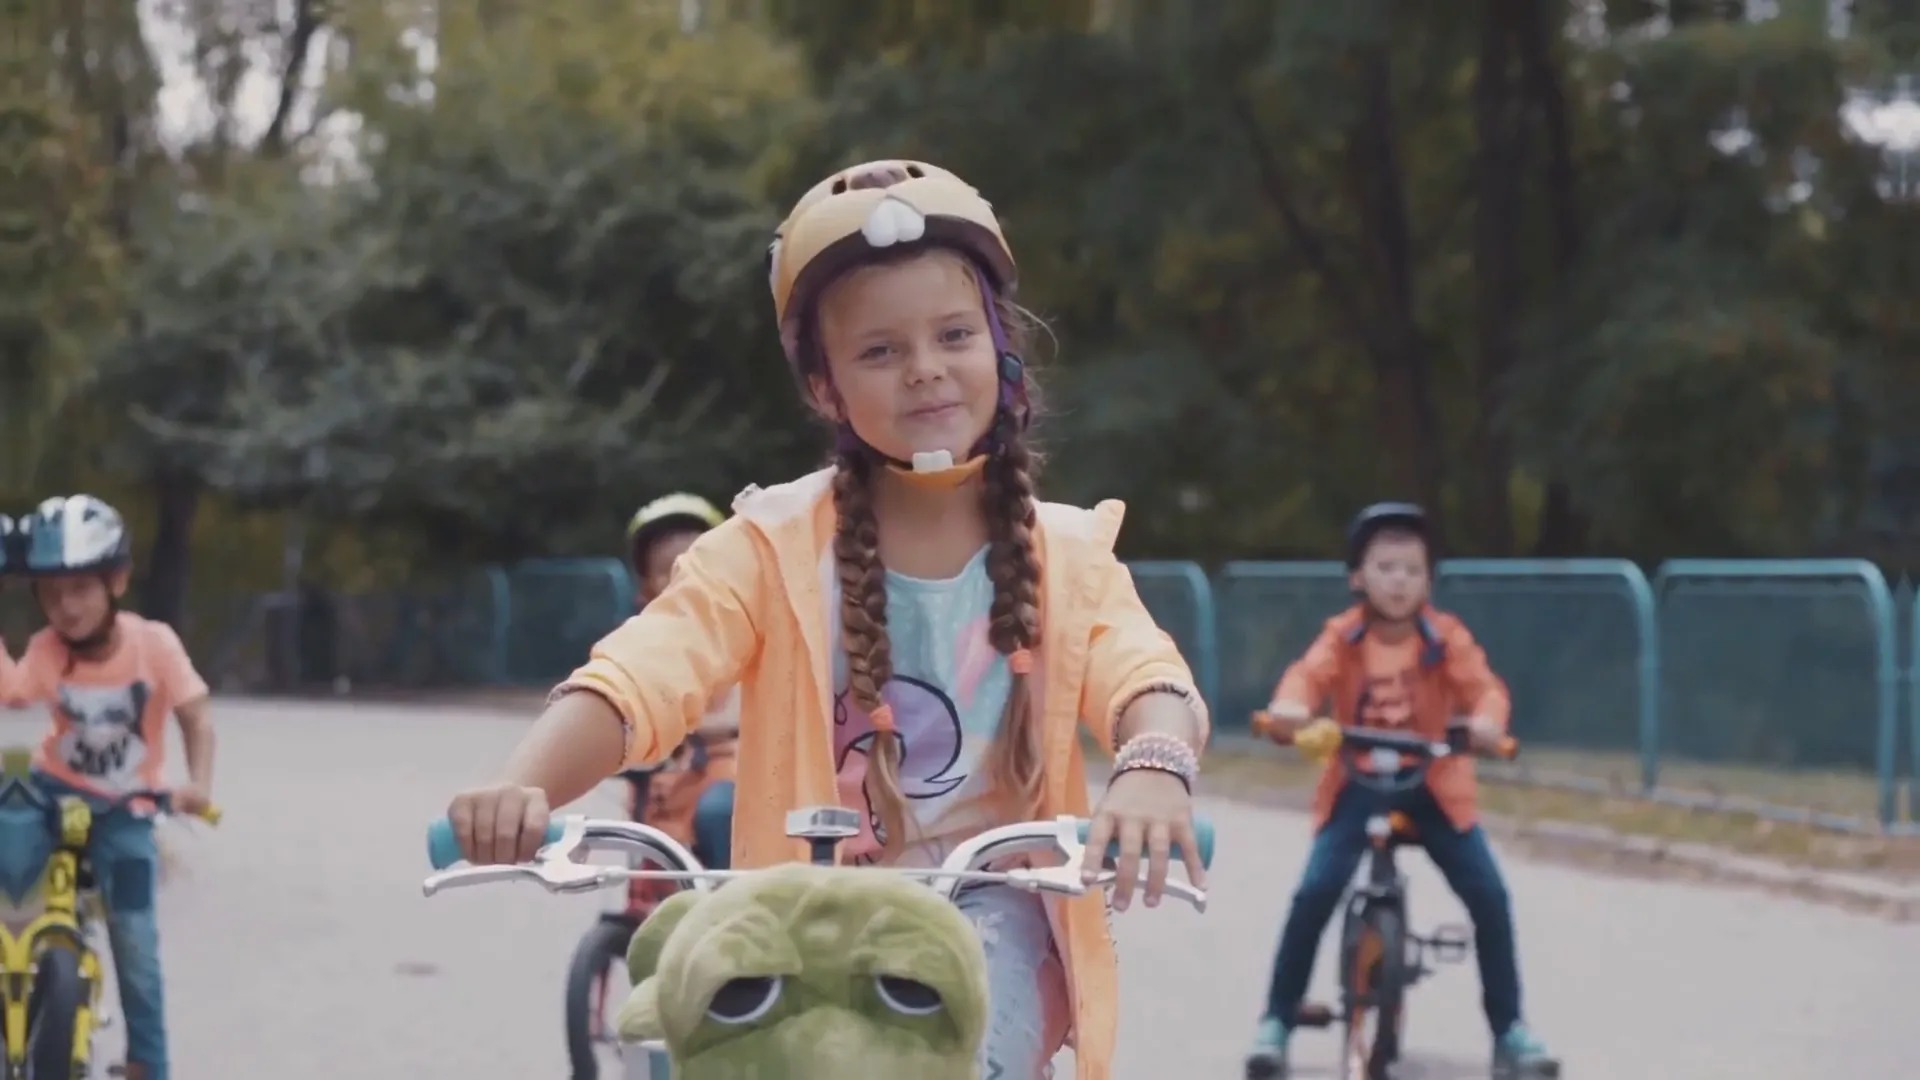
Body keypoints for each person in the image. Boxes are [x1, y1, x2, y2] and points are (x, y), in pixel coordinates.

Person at [444, 160, 1210, 1080]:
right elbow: (642, 673)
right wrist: (523, 785)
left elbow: (1145, 677)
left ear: (999, 348)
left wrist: (1155, 767)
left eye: (954, 334)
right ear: (824, 386)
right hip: (802, 928)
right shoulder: (768, 547)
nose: (925, 368)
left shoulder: (1069, 554)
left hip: (990, 923)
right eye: (879, 351)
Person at [1244, 502, 1558, 1080]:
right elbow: (1306, 678)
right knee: (1316, 890)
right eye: (1385, 568)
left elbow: (1485, 690)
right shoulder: (1344, 637)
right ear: (1357, 577)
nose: (1398, 581)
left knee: (1488, 893)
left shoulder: (1446, 639)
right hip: (1357, 779)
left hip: (1432, 781)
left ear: (1428, 581)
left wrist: (1488, 722)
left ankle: (1510, 1030)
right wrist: (1290, 710)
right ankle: (1276, 1021)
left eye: (1412, 570)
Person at [5, 494, 217, 1080]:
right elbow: (16, 692)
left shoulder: (154, 644)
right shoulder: (49, 649)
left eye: (80, 589)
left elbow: (196, 715)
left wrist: (196, 785)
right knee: (8, 877)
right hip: (53, 792)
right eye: (50, 594)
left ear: (116, 581)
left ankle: (148, 1064)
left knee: (136, 946)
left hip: (128, 808)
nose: (65, 607)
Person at [624, 491, 739, 869]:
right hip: (665, 788)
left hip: (733, 779)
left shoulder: (746, 637)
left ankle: (732, 906)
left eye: (697, 561)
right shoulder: (637, 648)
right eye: (666, 568)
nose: (683, 575)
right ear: (645, 588)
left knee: (719, 812)